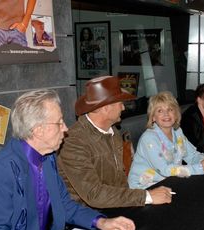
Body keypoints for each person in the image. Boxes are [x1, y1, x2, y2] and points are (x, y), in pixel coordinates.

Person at [0, 89, 135, 230]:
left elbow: (65, 206)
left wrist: (101, 222)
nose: (65, 129)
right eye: (59, 123)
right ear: (38, 130)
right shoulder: (1, 170)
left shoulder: (47, 157)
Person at [57, 76, 172, 209]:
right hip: (88, 217)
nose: (123, 108)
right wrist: (147, 196)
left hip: (117, 206)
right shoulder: (73, 142)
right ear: (105, 107)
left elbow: (119, 182)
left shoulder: (112, 131)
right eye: (120, 103)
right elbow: (94, 195)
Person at [128, 91, 204, 189]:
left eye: (170, 109)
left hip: (170, 183)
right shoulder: (149, 138)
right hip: (144, 188)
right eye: (160, 111)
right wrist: (201, 167)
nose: (166, 114)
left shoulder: (177, 132)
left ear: (176, 114)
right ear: (153, 117)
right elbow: (164, 170)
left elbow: (191, 155)